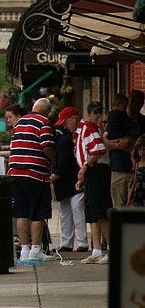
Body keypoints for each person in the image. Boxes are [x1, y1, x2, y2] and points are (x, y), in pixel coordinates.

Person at [8, 97, 56, 262]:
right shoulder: (44, 123)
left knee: (21, 212)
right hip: (35, 173)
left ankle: (24, 250)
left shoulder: (20, 122)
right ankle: (36, 249)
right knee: (37, 213)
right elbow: (46, 146)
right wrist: (53, 161)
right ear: (47, 111)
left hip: (15, 172)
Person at [75, 101, 112, 265]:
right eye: (95, 112)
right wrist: (83, 172)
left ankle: (112, 249)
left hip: (97, 171)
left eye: (99, 112)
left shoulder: (89, 127)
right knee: (91, 212)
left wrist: (84, 168)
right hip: (93, 171)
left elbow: (97, 150)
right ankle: (97, 250)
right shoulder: (88, 128)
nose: (97, 115)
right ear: (89, 113)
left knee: (98, 210)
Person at [50, 106, 88, 252]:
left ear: (73, 118)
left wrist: (51, 178)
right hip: (66, 183)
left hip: (72, 182)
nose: (65, 126)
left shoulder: (63, 142)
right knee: (67, 213)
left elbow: (63, 166)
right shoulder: (65, 140)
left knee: (76, 211)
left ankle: (81, 242)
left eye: (65, 122)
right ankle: (67, 242)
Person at [103, 94, 135, 207]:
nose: (126, 109)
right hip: (120, 167)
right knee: (120, 203)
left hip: (126, 167)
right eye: (125, 106)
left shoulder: (112, 117)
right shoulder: (121, 117)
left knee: (126, 204)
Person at [127, 134, 145, 206]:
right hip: (138, 194)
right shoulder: (137, 165)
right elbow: (135, 181)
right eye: (139, 149)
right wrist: (129, 198)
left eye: (143, 149)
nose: (141, 152)